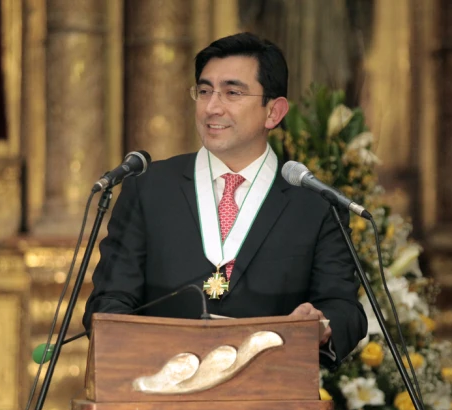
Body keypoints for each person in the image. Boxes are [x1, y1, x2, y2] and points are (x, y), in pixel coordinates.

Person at [83, 32, 366, 370]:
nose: (212, 107)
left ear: (273, 112)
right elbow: (109, 301)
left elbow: (345, 310)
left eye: (232, 93)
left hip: (272, 401)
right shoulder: (149, 188)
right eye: (204, 91)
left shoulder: (316, 204)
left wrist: (322, 326)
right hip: (158, 394)